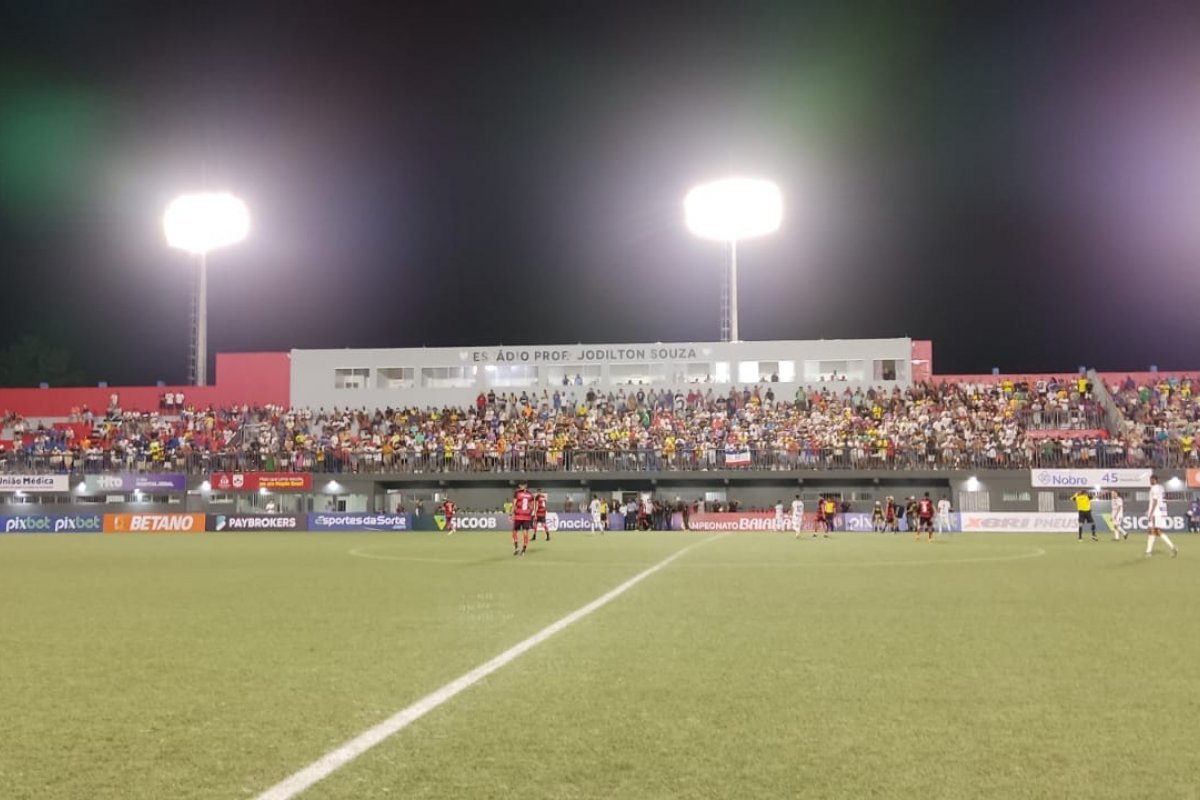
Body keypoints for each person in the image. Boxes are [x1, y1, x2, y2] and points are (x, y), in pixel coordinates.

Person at [1145, 475, 1179, 558]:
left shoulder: (1154, 488)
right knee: (1155, 532)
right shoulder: (1161, 488)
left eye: (1151, 480)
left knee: (1153, 531)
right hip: (1160, 512)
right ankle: (1149, 551)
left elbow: (1155, 501)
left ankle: (1149, 551)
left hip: (1155, 513)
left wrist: (1150, 513)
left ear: (1155, 480)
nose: (1150, 481)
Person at [511, 482, 534, 556]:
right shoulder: (530, 494)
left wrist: (511, 513)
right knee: (525, 533)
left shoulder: (517, 493)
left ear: (525, 486)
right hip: (527, 516)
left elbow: (514, 504)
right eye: (520, 485)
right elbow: (531, 507)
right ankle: (523, 550)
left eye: (522, 485)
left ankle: (517, 547)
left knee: (514, 531)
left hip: (518, 516)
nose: (520, 486)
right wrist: (530, 513)